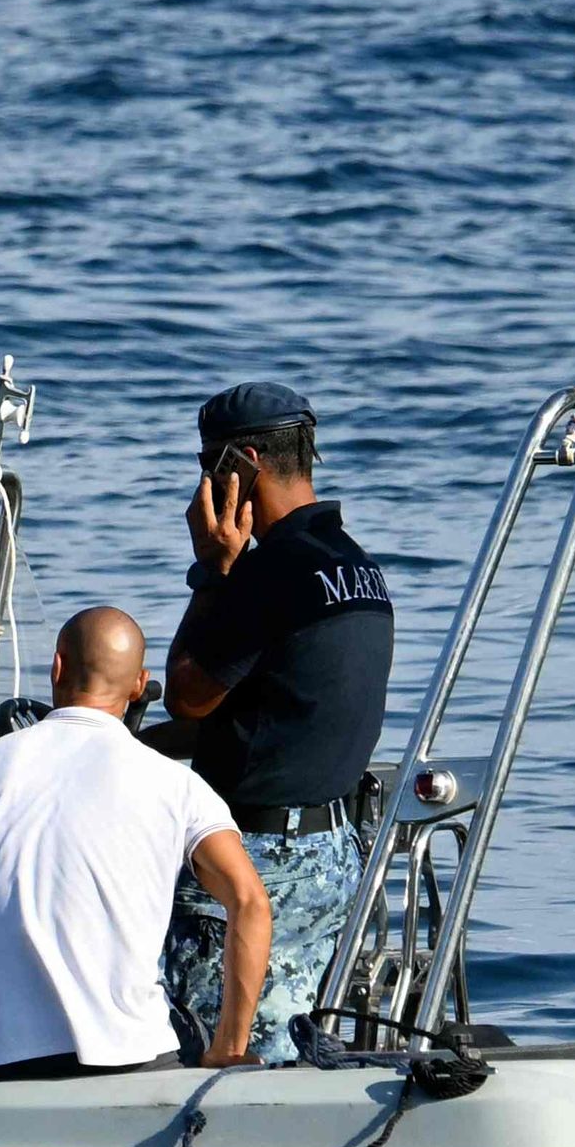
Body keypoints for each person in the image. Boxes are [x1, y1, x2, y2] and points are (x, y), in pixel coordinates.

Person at [0, 605, 272, 1078]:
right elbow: (250, 903)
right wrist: (227, 1047)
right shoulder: (178, 785)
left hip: (4, 1060)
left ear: (57, 666)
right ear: (139, 684)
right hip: (136, 1057)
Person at [164, 381, 396, 1038]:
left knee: (206, 1051)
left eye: (209, 466)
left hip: (258, 859)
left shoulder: (270, 576)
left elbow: (187, 692)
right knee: (285, 1043)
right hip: (329, 852)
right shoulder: (357, 568)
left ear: (242, 465)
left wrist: (210, 570)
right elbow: (280, 702)